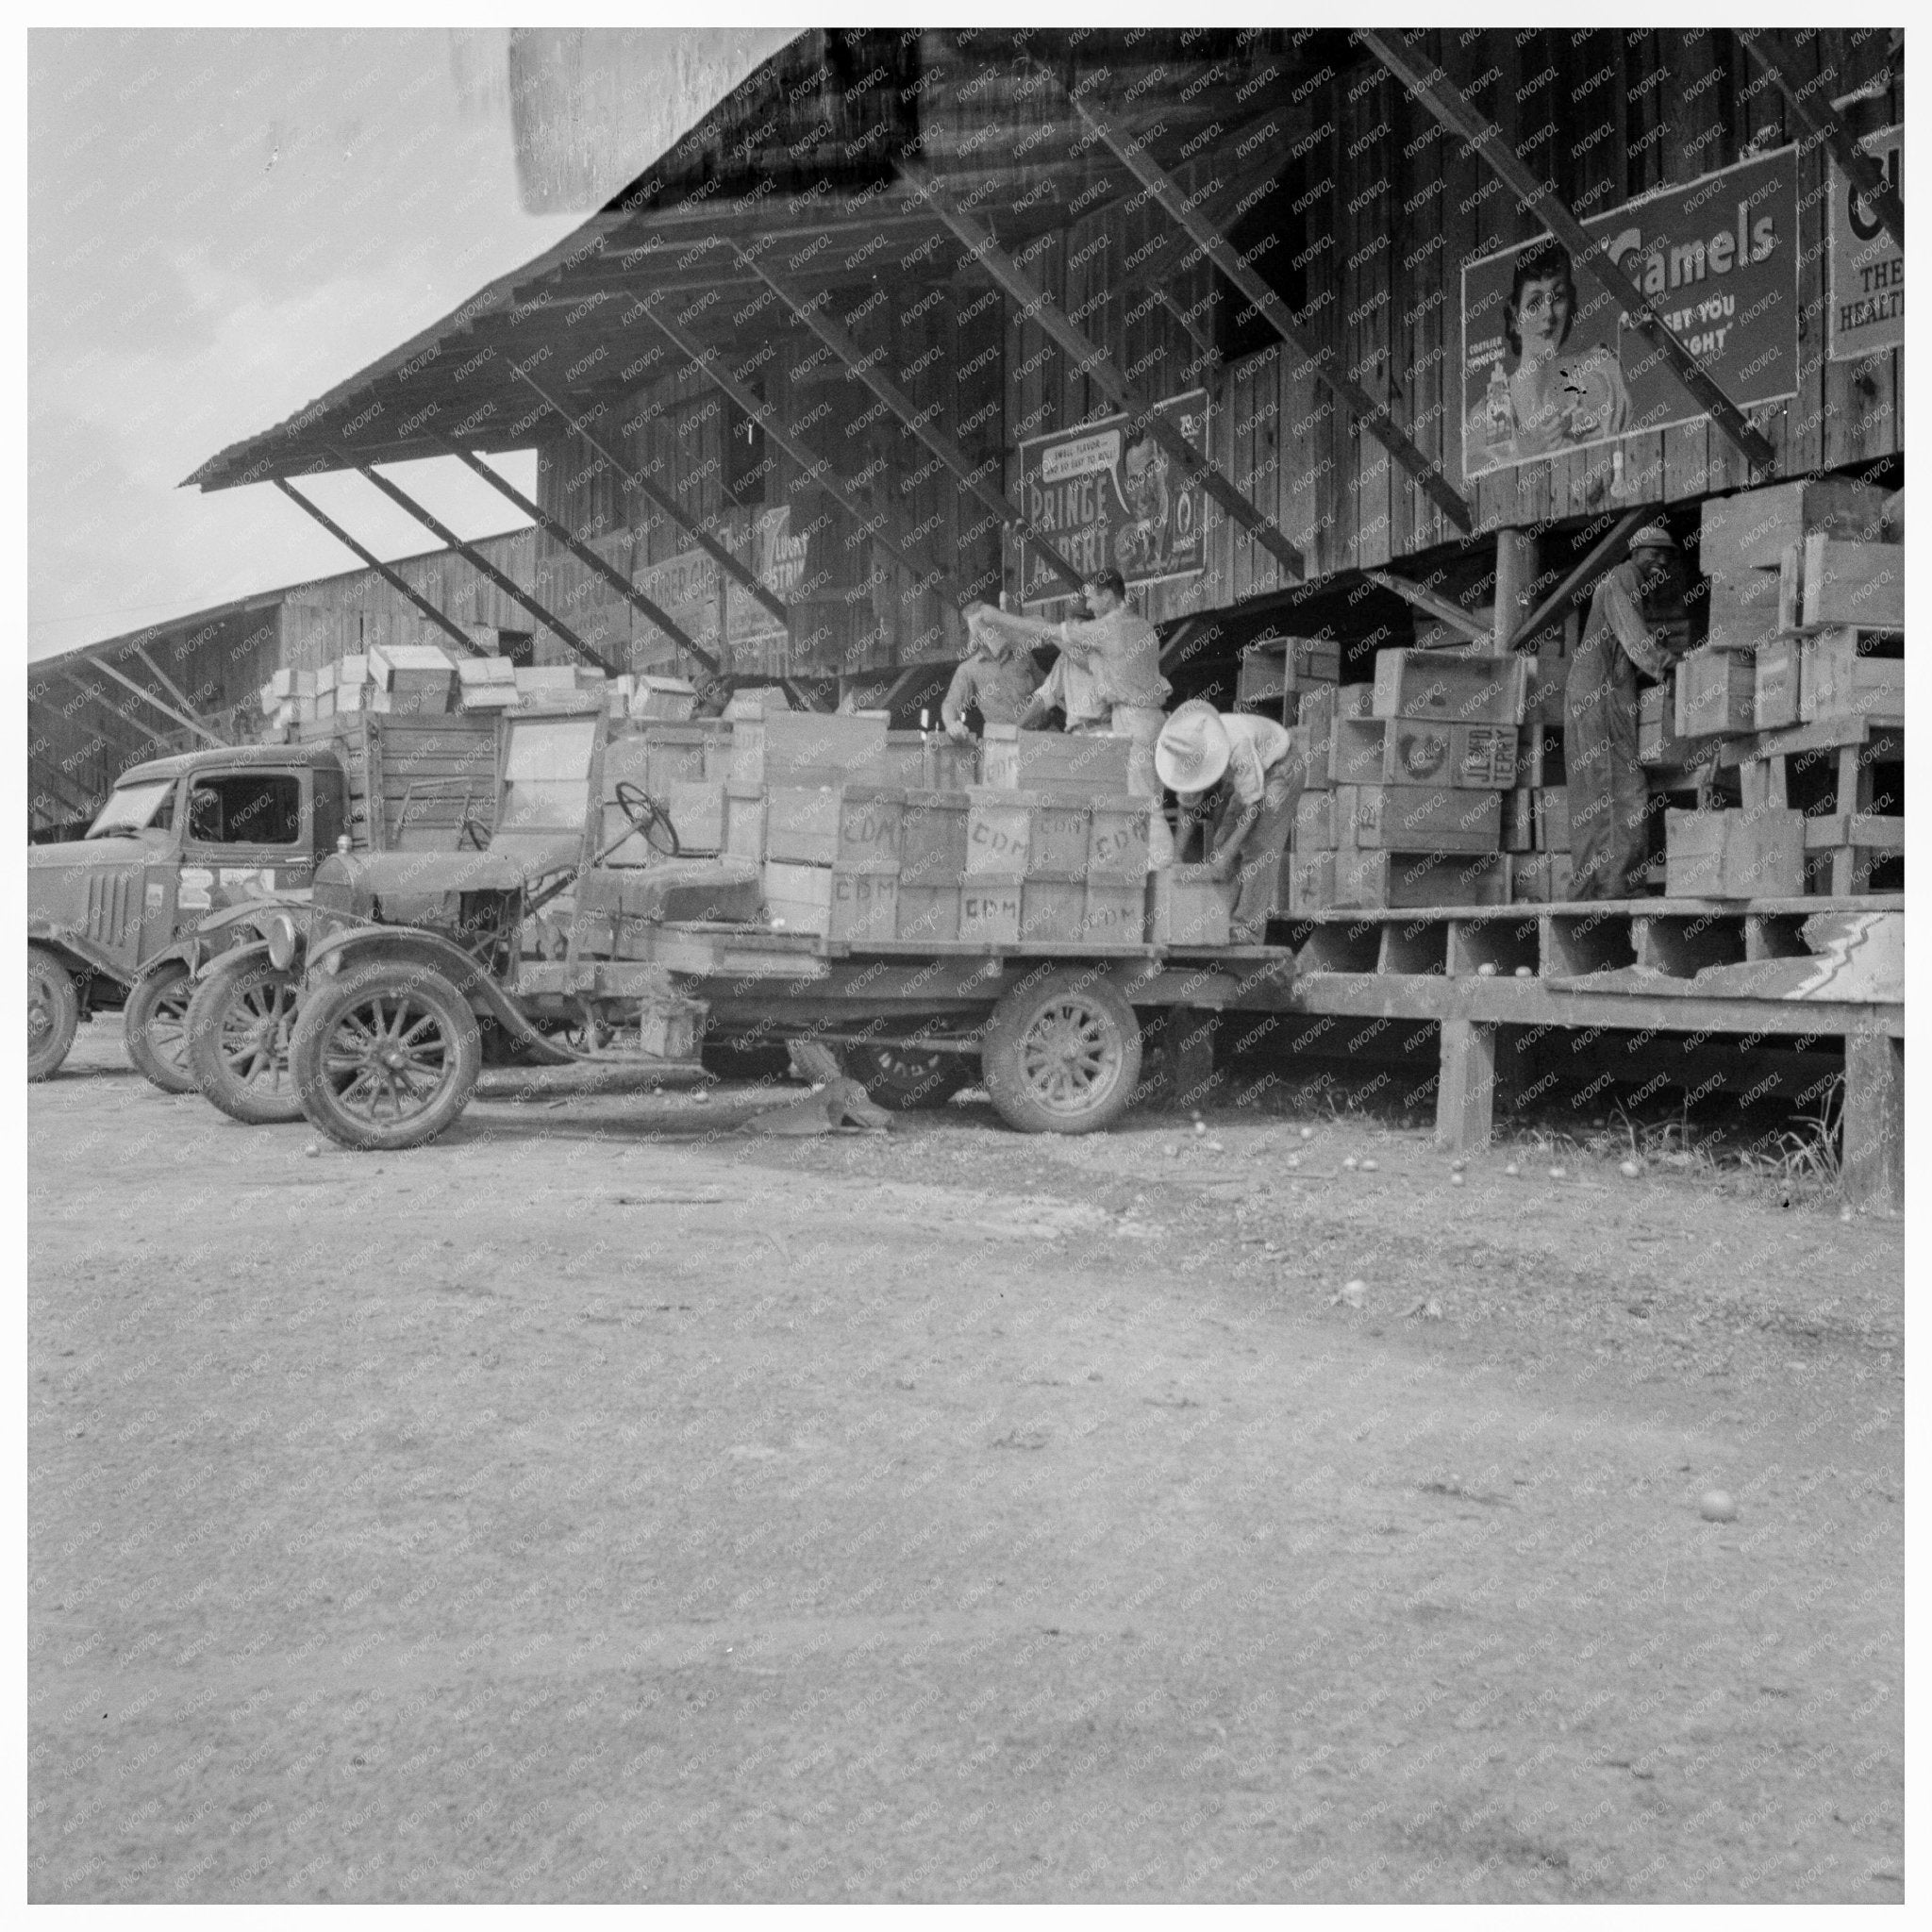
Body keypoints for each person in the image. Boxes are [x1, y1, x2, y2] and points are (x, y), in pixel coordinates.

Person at [1566, 522, 1691, 901]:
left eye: (1666, 557)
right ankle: (1618, 886)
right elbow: (1632, 636)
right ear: (1635, 553)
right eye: (1653, 554)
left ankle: (1589, 888)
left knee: (1592, 794)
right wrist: (1670, 665)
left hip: (1593, 692)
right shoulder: (1622, 577)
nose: (1660, 562)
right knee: (1623, 788)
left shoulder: (1617, 583)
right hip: (1602, 696)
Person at [1466, 239, 1631, 474]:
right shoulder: (1497, 405)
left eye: (1558, 297)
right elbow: (1489, 485)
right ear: (1515, 318)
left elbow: (1622, 443)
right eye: (1534, 303)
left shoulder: (1596, 371)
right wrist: (1523, 455)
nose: (1549, 314)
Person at [1154, 700, 1306, 943]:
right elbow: (1188, 807)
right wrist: (1176, 856)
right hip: (1251, 774)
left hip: (1282, 766)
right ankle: (1219, 921)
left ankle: (1248, 929)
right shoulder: (1184, 754)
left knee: (1258, 847)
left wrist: (1226, 854)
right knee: (1222, 839)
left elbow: (1253, 807)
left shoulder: (1238, 746)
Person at [939, 604, 1041, 741]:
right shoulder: (968, 669)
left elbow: (1046, 687)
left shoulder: (1023, 655)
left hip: (1036, 738)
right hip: (1002, 743)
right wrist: (952, 725)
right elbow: (950, 705)